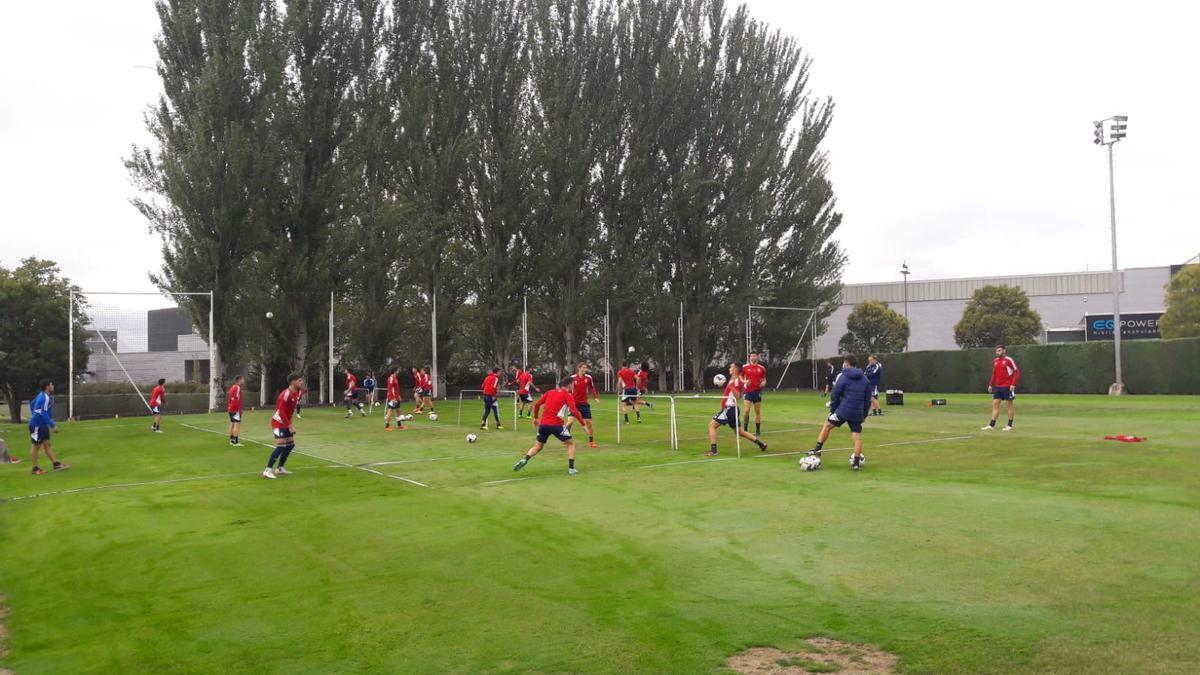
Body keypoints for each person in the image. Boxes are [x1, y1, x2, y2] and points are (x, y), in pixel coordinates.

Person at [806, 354, 871, 470]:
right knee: (856, 437)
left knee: (827, 425)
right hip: (857, 413)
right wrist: (864, 414)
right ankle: (856, 463)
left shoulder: (843, 376)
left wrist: (832, 411)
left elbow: (835, 394)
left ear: (846, 363)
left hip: (843, 411)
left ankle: (817, 449)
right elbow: (867, 399)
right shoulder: (865, 379)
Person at [512, 376, 584, 475]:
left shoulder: (550, 392)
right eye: (573, 385)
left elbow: (537, 405)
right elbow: (574, 411)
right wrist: (583, 424)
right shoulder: (568, 395)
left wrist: (536, 418)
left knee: (537, 446)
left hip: (543, 425)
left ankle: (525, 458)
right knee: (570, 444)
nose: (574, 387)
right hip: (557, 425)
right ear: (570, 384)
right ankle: (571, 468)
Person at [707, 363, 768, 456]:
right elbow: (741, 387)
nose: (729, 368)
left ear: (735, 369)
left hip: (729, 409)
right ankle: (761, 444)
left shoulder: (735, 381)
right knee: (739, 432)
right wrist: (744, 383)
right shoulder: (737, 379)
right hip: (732, 409)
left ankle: (714, 451)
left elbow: (738, 396)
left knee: (712, 426)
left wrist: (732, 386)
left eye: (731, 367)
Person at [263, 374, 303, 479]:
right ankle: (267, 470)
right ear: (293, 382)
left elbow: (289, 412)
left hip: (285, 422)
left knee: (290, 445)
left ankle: (280, 468)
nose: (301, 382)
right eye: (299, 381)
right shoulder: (286, 394)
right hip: (278, 422)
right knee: (281, 445)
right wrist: (289, 426)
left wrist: (290, 423)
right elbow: (280, 412)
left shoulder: (296, 393)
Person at [28, 380, 69, 475]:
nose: (53, 386)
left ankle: (56, 464)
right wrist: (53, 425)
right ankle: (35, 468)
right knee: (36, 446)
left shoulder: (42, 395)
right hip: (36, 425)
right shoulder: (45, 397)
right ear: (47, 387)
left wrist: (35, 413)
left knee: (47, 444)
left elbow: (32, 404)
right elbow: (43, 413)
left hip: (42, 425)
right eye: (51, 384)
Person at [982, 344, 1020, 431]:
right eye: (997, 351)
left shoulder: (1008, 360)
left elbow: (1016, 372)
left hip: (1008, 386)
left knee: (1009, 406)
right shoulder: (995, 361)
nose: (997, 352)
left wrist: (1013, 384)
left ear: (1004, 351)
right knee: (995, 405)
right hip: (998, 387)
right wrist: (990, 385)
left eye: (999, 350)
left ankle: (1009, 425)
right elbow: (994, 374)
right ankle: (991, 425)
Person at [565, 362, 601, 448]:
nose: (586, 369)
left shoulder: (589, 378)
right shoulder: (572, 378)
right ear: (579, 368)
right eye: (584, 368)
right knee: (570, 422)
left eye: (586, 368)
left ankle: (591, 442)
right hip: (573, 404)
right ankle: (565, 436)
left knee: (588, 423)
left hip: (584, 404)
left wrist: (595, 397)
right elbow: (566, 388)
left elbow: (592, 387)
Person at [741, 352, 766, 434]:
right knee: (746, 411)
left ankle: (758, 430)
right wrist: (744, 381)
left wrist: (763, 383)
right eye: (751, 356)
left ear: (757, 357)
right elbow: (740, 377)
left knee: (757, 411)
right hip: (747, 391)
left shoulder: (762, 368)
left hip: (757, 392)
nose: (752, 357)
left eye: (754, 356)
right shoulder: (744, 367)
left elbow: (764, 379)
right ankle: (745, 428)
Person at [227, 375, 245, 446]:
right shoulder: (237, 387)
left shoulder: (233, 387)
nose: (244, 381)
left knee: (232, 424)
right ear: (239, 380)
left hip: (231, 408)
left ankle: (231, 440)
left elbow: (230, 399)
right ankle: (235, 442)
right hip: (235, 409)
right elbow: (235, 399)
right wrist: (239, 410)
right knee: (236, 425)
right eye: (243, 379)